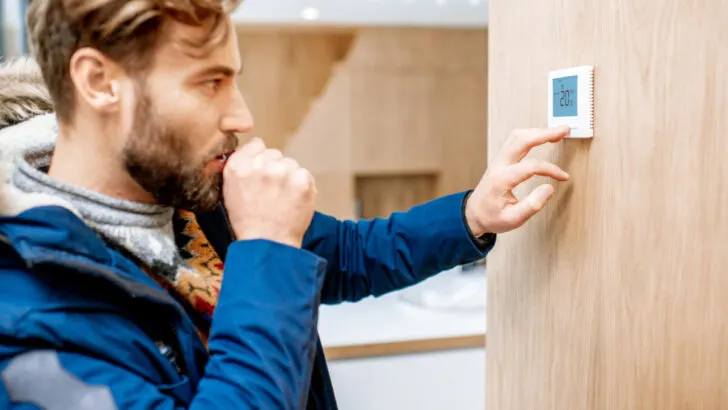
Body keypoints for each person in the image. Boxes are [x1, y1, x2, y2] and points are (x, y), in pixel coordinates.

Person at [0, 1, 570, 409]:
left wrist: (472, 214)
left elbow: (348, 254)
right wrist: (267, 246)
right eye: (210, 82)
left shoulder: (191, 197)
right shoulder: (23, 314)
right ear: (99, 82)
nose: (241, 117)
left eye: (235, 80)